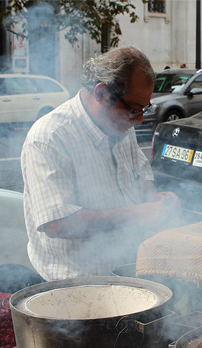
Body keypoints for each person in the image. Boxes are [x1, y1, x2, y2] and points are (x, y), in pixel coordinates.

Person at [21, 46, 180, 282]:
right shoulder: (49, 137)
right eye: (134, 110)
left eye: (144, 109)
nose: (139, 120)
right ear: (101, 93)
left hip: (128, 273)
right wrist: (136, 215)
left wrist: (154, 199)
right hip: (77, 285)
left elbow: (140, 171)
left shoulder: (121, 126)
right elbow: (56, 223)